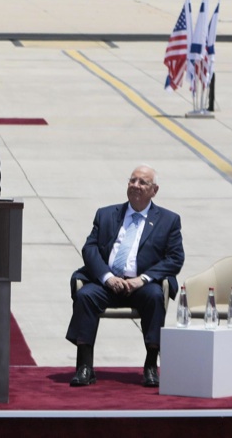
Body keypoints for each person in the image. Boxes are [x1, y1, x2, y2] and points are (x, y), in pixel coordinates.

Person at [66, 165, 183, 388]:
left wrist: (144, 279)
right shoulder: (106, 214)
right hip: (108, 283)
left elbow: (175, 258)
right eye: (132, 181)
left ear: (154, 190)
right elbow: (89, 249)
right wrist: (107, 277)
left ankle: (150, 366)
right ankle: (84, 366)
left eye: (142, 182)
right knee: (85, 296)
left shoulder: (168, 220)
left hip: (141, 285)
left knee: (155, 297)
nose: (135, 186)